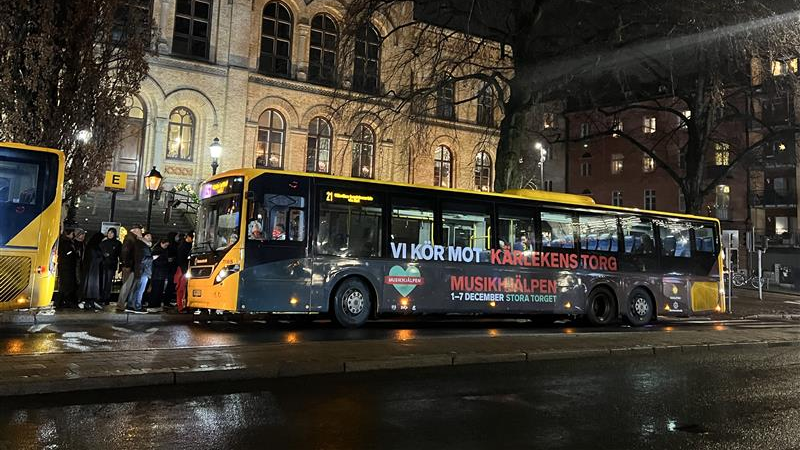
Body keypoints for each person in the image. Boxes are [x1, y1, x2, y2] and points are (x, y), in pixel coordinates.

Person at [117, 224, 143, 311]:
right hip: (129, 265)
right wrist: (126, 264)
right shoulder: (130, 239)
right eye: (139, 230)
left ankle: (123, 304)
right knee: (126, 285)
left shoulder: (132, 238)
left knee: (128, 285)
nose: (141, 232)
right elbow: (125, 251)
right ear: (135, 230)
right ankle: (121, 304)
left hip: (131, 265)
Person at [127, 231, 153, 314]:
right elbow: (142, 259)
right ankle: (137, 306)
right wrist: (152, 258)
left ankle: (131, 305)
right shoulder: (142, 246)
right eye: (148, 236)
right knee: (140, 289)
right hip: (143, 270)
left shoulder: (139, 245)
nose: (150, 238)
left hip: (139, 270)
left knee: (136, 288)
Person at [78, 232, 104, 311]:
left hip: (90, 270)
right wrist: (102, 257)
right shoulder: (94, 247)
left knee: (90, 286)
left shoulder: (90, 246)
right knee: (91, 286)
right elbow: (95, 259)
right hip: (92, 271)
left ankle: (89, 301)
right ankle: (89, 300)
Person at [56, 228, 78, 309]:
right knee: (66, 285)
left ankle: (61, 302)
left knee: (65, 285)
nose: (73, 235)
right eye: (72, 233)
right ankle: (62, 302)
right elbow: (66, 254)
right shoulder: (66, 243)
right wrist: (73, 253)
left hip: (66, 267)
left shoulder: (66, 242)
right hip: (66, 267)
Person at [99, 227, 121, 305]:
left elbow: (119, 254)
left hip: (111, 265)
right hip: (103, 264)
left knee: (108, 282)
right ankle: (101, 297)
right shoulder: (103, 243)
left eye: (112, 233)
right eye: (109, 233)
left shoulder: (118, 243)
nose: (110, 234)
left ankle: (106, 298)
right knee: (103, 281)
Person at [149, 238, 171, 312]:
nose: (166, 246)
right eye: (165, 245)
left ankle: (156, 304)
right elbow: (156, 262)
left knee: (159, 290)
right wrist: (166, 262)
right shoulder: (157, 250)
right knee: (156, 290)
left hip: (160, 273)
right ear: (161, 243)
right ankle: (153, 304)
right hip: (157, 273)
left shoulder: (163, 250)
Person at [175, 232, 193, 312]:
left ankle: (186, 305)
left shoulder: (189, 245)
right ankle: (181, 306)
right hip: (183, 270)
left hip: (187, 269)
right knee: (182, 288)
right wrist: (185, 271)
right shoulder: (182, 246)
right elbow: (181, 260)